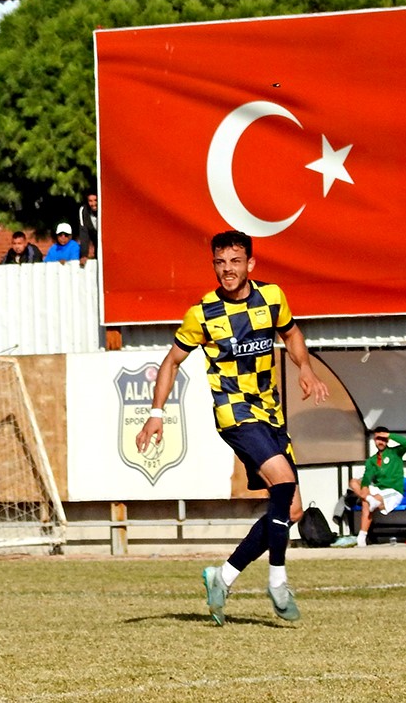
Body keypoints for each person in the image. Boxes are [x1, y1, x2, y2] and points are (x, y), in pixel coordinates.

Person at [135, 230, 329, 626]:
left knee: (289, 510)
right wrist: (156, 413)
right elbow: (171, 362)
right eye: (220, 263)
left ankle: (222, 576)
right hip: (234, 413)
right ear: (214, 266)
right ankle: (277, 582)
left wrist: (305, 367)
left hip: (270, 411)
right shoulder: (202, 313)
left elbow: (291, 333)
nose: (228, 270)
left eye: (235, 262)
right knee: (284, 483)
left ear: (250, 265)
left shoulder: (272, 298)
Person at [348, 428, 406, 547]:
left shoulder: (395, 452)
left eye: (383, 439)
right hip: (378, 489)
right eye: (378, 439)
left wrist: (389, 434)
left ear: (387, 440)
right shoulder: (372, 460)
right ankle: (370, 501)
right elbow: (367, 477)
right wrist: (365, 488)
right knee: (354, 482)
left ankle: (362, 536)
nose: (380, 442)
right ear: (374, 440)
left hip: (393, 491)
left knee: (366, 502)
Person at [77, 193, 98, 268]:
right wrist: (84, 254)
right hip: (95, 241)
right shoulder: (83, 211)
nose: (93, 203)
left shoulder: (105, 208)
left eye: (95, 200)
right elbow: (84, 233)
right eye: (90, 201)